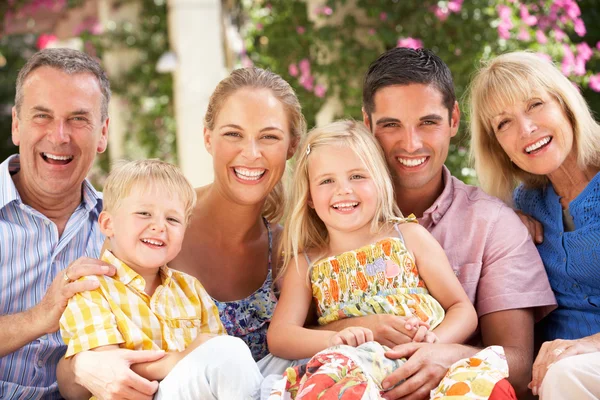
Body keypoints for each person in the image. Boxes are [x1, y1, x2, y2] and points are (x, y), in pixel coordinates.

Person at [315, 47, 558, 400]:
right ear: (368, 125)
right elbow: (290, 335)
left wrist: (453, 357)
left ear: (454, 119)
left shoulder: (492, 225)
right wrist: (359, 327)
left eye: (428, 122)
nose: (411, 144)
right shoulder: (328, 213)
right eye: (391, 125)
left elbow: (520, 366)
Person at [58, 66, 305, 399]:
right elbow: (78, 364)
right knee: (228, 353)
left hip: (243, 387)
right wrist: (80, 365)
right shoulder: (136, 228)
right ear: (208, 137)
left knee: (312, 363)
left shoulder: (288, 248)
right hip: (155, 389)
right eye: (233, 134)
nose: (251, 152)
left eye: (269, 136)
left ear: (292, 146)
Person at [266, 120, 516, 399]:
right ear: (310, 196)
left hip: (426, 364)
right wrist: (332, 339)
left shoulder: (408, 236)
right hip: (354, 369)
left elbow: (461, 308)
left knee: (483, 387)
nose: (344, 190)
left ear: (380, 181)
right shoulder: (307, 263)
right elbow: (281, 336)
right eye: (326, 181)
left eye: (358, 176)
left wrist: (434, 344)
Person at [0, 48, 152, 400]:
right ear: (16, 125)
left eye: (78, 119)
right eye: (42, 116)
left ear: (102, 134)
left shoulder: (127, 228)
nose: (59, 135)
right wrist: (41, 316)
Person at [59, 159, 262, 400]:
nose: (159, 226)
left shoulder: (190, 289)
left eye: (173, 219)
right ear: (108, 224)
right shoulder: (92, 287)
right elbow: (109, 370)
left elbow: (216, 360)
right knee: (231, 350)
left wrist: (200, 354)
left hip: (187, 390)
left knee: (288, 365)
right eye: (144, 213)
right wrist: (182, 357)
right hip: (134, 396)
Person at [469, 51, 600, 400]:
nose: (526, 130)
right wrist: (503, 222)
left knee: (566, 375)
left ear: (564, 104)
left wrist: (589, 345)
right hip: (553, 378)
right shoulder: (525, 204)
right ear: (498, 148)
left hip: (572, 373)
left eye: (535, 104)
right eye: (503, 123)